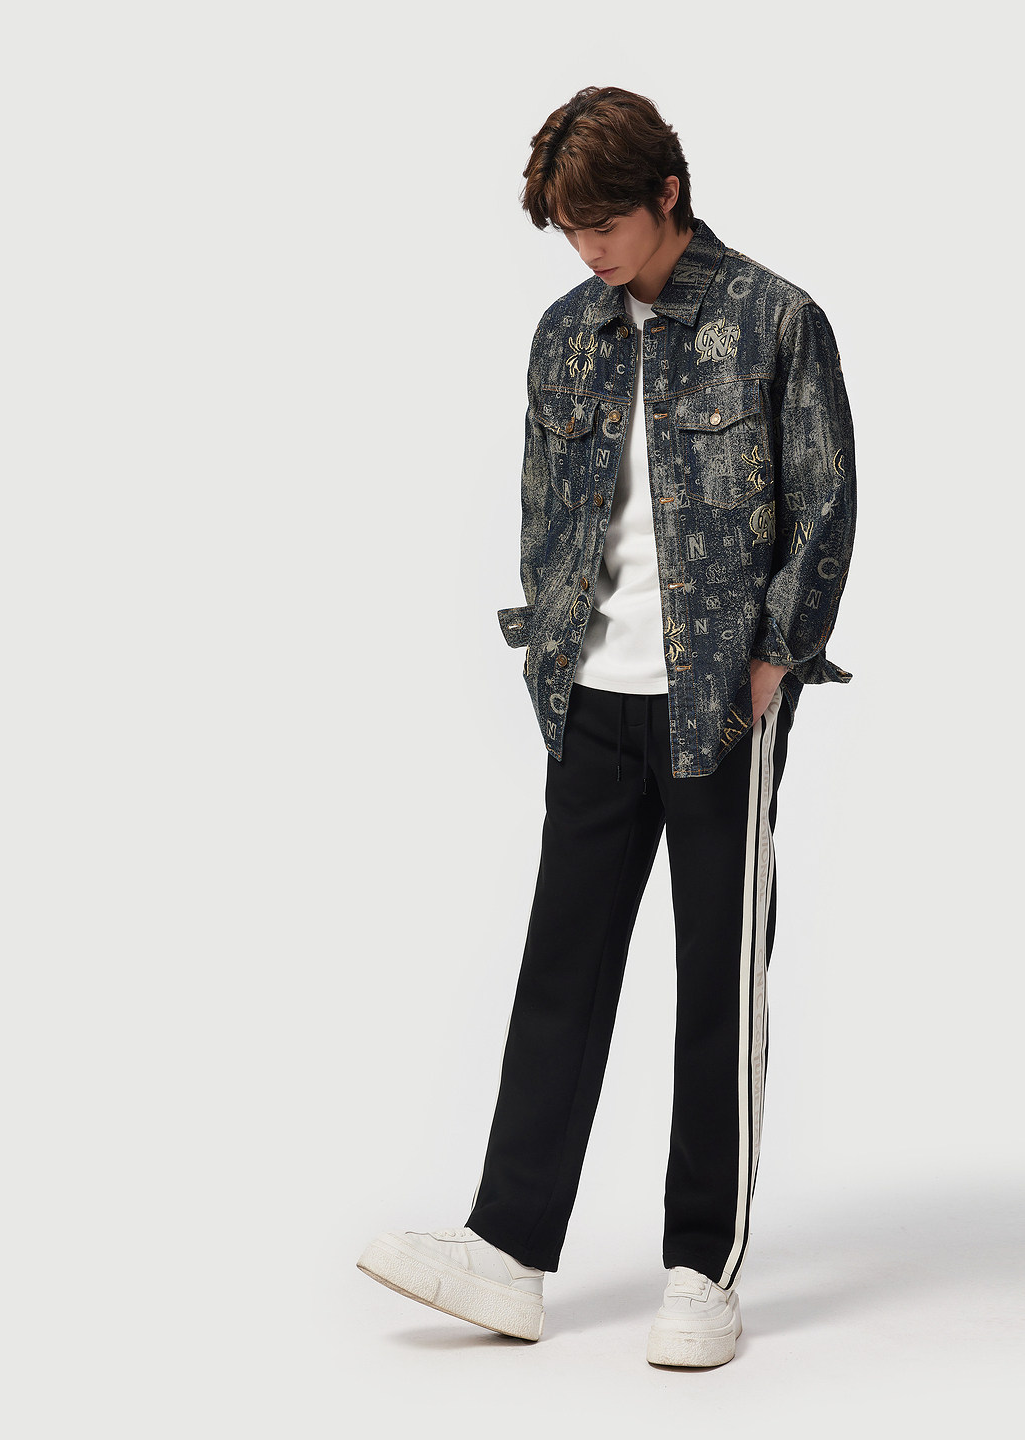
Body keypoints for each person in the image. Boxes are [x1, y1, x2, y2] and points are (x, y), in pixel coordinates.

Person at [358, 86, 856, 1369]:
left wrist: (774, 659)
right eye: (571, 231)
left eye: (605, 225)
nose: (589, 250)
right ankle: (510, 1250)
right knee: (559, 972)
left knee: (715, 986)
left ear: (667, 194)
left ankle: (701, 1268)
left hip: (719, 706)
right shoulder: (565, 333)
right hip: (593, 698)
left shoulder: (775, 319)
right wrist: (554, 659)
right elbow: (548, 509)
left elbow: (825, 503)